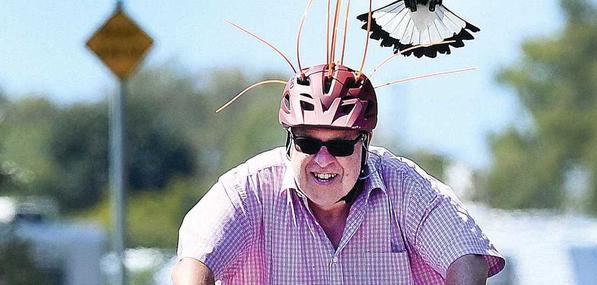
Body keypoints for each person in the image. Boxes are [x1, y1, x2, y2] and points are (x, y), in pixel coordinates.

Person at [172, 63, 505, 284]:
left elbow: (466, 255)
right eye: (307, 142)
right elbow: (194, 264)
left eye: (341, 146)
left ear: (365, 142)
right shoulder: (249, 190)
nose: (323, 159)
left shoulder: (404, 187)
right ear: (290, 141)